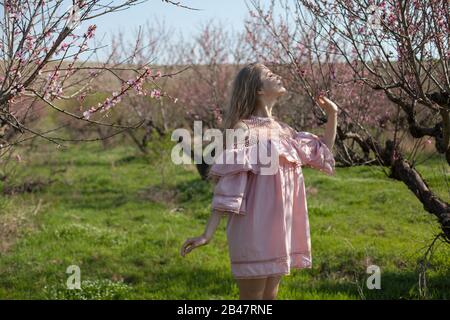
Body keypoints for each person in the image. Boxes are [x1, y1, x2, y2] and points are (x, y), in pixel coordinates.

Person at [180, 62, 338, 300]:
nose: (277, 75)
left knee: (270, 297)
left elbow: (321, 151)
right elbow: (228, 185)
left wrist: (333, 115)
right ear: (258, 90)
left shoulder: (284, 130)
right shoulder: (244, 130)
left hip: (280, 227)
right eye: (269, 75)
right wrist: (207, 234)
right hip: (253, 227)